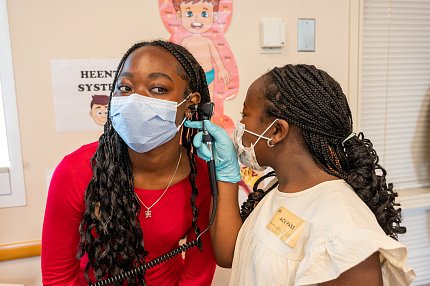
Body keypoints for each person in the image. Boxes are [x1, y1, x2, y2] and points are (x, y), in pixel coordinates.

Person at [185, 64, 416, 285]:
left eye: (245, 115)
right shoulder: (279, 187)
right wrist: (225, 175)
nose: (240, 125)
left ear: (276, 131)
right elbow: (230, 254)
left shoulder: (345, 231)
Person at [42, 40, 216, 285]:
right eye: (125, 87)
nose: (135, 100)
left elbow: (198, 271)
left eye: (157, 88)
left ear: (191, 103)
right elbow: (57, 275)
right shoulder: (75, 171)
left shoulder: (201, 176)